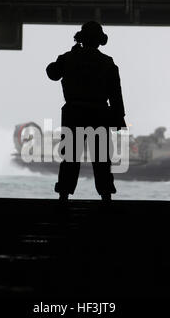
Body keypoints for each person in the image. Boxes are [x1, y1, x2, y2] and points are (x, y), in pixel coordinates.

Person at [46, 21, 126, 202]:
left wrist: (66, 56)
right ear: (100, 41)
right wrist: (118, 119)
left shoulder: (68, 58)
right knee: (102, 159)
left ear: (81, 39)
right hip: (99, 114)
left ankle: (64, 195)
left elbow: (52, 73)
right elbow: (115, 93)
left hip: (74, 113)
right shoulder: (107, 62)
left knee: (70, 158)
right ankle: (106, 196)